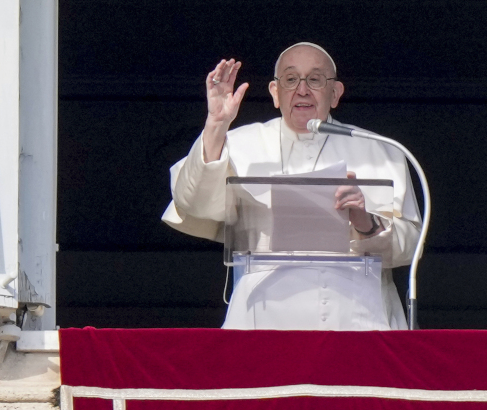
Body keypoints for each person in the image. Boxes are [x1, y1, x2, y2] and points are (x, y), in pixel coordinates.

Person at [162, 42, 421, 329]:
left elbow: (410, 247)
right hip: (263, 317)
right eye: (290, 79)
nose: (302, 89)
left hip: (355, 317)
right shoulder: (236, 143)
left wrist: (367, 224)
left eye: (315, 79)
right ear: (275, 93)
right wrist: (215, 124)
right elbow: (192, 202)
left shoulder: (382, 150)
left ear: (335, 93)